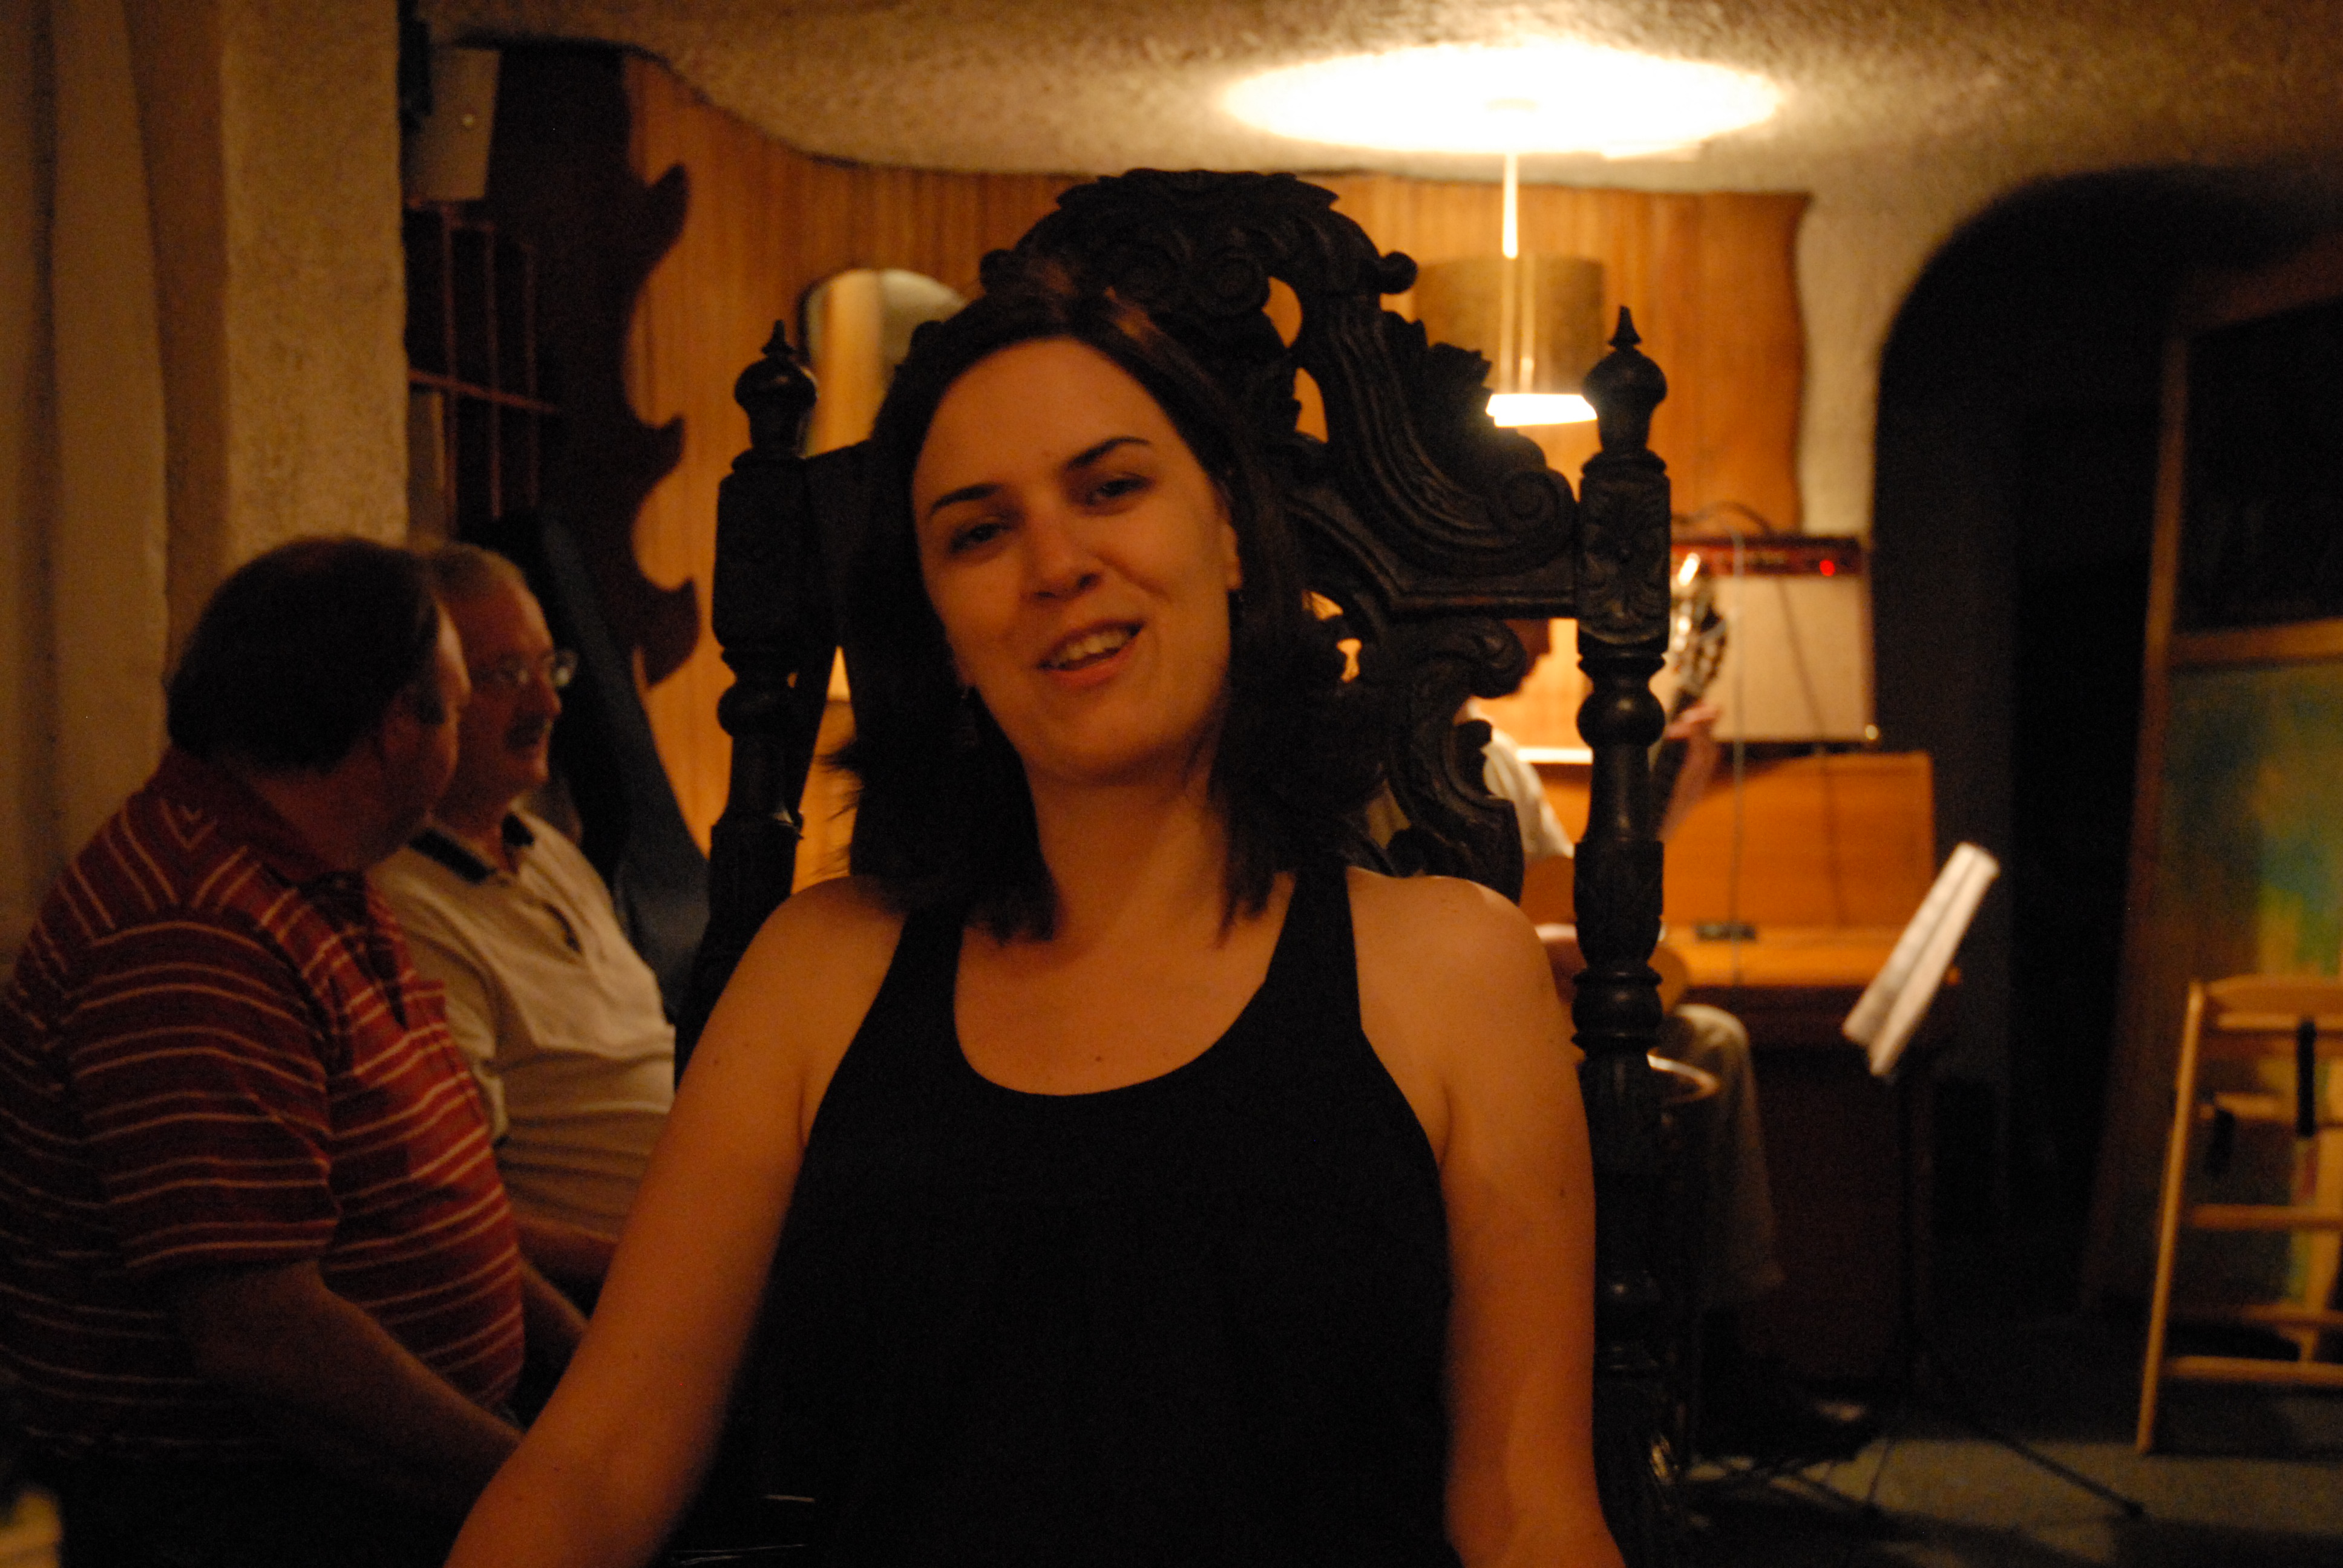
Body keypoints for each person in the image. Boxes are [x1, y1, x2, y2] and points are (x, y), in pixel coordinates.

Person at [448, 269, 1627, 1567]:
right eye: (978, 533)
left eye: (1110, 488)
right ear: (941, 629)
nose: (1058, 564)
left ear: (1228, 533)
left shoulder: (1454, 969)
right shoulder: (816, 976)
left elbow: (1527, 1511)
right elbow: (598, 1459)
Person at [0, 538, 587, 1567]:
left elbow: (444, 1209)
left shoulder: (311, 871)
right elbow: (262, 1335)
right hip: (262, 1511)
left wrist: (594, 1385)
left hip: (398, 1469)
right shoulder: (191, 930)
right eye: (458, 707)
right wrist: (549, 1497)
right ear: (394, 728)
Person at [1476, 620, 1873, 1463]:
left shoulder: (1502, 758)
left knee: (1713, 1041)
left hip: (1542, 1013)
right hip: (1472, 1031)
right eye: (1532, 623)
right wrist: (1530, 948)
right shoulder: (1382, 762)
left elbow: (1576, 898)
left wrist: (1669, 803)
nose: (1547, 649)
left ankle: (1715, 1345)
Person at [374, 544, 675, 1302]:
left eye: (550, 668)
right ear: (423, 699)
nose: (549, 705)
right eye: (506, 675)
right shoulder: (404, 902)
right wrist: (670, 1269)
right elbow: (453, 1212)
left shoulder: (549, 852)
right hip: (620, 1293)